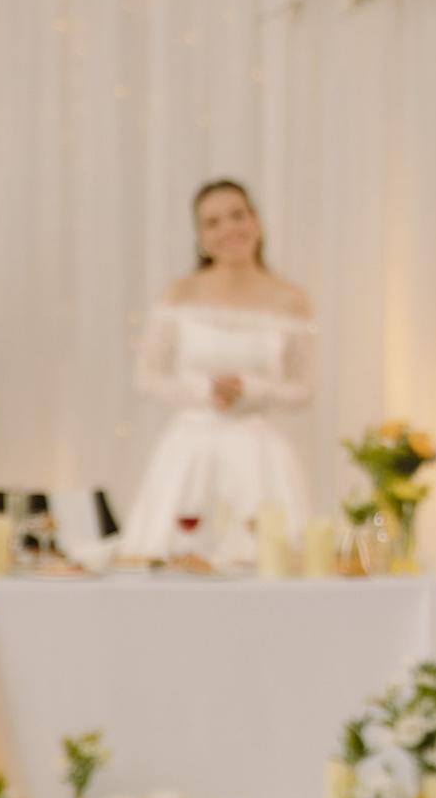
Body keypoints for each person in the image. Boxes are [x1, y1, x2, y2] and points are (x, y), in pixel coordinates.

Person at [116, 180, 313, 569]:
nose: (229, 229)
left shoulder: (290, 298)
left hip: (259, 455)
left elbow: (303, 388)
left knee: (264, 565)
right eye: (213, 222)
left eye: (237, 215)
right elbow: (147, 377)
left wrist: (251, 390)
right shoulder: (179, 293)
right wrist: (205, 391)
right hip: (189, 450)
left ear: (256, 222)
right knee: (176, 563)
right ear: (201, 237)